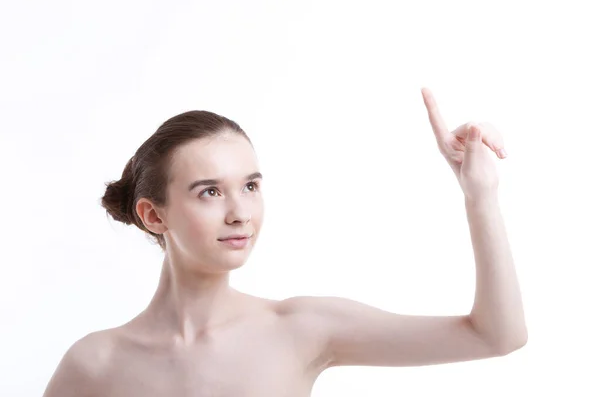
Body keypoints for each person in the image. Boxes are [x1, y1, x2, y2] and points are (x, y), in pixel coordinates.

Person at [42, 88, 527, 396]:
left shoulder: (303, 329)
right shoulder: (94, 365)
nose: (240, 212)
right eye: (209, 191)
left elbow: (496, 336)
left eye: (250, 186)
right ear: (153, 215)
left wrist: (480, 197)